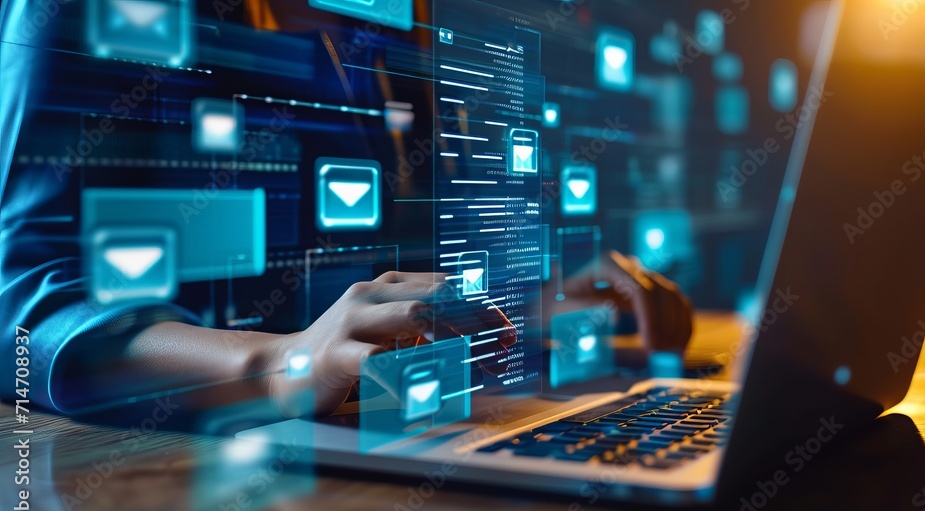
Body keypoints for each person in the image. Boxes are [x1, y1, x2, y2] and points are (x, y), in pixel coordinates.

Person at [0, 0, 693, 420]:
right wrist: (274, 367)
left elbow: (370, 274)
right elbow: (18, 307)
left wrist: (518, 307)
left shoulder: (385, 37)